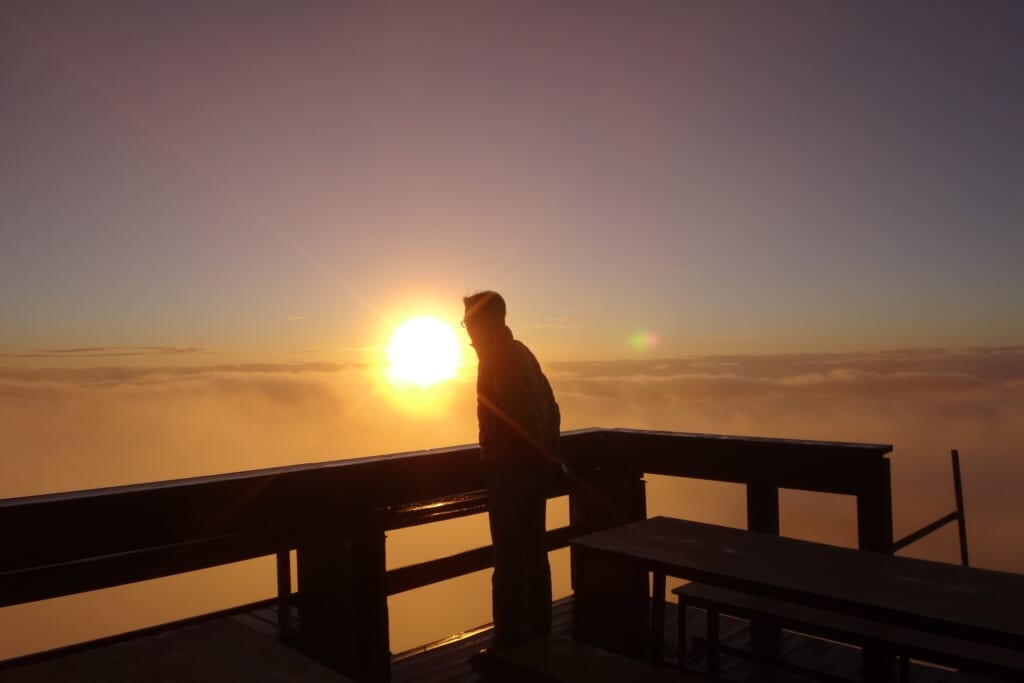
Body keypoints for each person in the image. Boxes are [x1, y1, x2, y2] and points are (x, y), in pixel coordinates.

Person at [462, 290, 561, 658]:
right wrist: (548, 457)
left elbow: (517, 415)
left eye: (468, 321)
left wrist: (516, 459)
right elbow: (551, 408)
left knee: (508, 561)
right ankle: (539, 637)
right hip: (533, 474)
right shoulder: (521, 351)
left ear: (482, 321)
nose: (466, 330)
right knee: (534, 555)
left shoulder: (496, 358)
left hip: (509, 472)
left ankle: (508, 645)